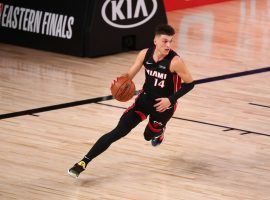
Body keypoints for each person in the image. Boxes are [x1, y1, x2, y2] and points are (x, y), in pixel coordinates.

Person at [68, 24, 194, 178]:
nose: (168, 45)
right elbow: (129, 75)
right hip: (144, 100)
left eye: (170, 42)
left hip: (163, 107)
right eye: (165, 41)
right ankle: (83, 162)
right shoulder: (144, 54)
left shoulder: (175, 61)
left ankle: (159, 132)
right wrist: (119, 81)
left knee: (148, 136)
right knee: (117, 132)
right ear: (155, 41)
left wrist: (170, 100)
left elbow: (190, 83)